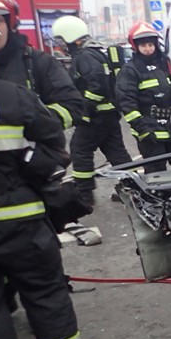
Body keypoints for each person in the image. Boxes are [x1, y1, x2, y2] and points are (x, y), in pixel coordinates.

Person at [0, 4, 94, 339]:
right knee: (45, 291)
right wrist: (26, 160)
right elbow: (55, 151)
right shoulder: (10, 97)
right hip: (21, 221)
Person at [0, 0, 83, 131]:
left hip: (29, 153)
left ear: (11, 24)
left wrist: (35, 119)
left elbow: (73, 107)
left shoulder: (38, 62)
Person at [51, 15, 133, 207]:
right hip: (108, 114)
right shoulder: (95, 52)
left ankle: (84, 194)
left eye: (62, 40)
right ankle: (133, 189)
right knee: (117, 154)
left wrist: (83, 108)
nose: (61, 45)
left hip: (95, 116)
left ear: (71, 37)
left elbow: (97, 84)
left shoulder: (85, 56)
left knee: (80, 150)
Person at [116, 22, 171, 172]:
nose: (148, 49)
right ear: (135, 46)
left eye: (150, 44)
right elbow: (127, 103)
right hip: (150, 131)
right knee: (156, 173)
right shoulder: (130, 70)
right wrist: (142, 130)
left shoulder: (163, 63)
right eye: (143, 45)